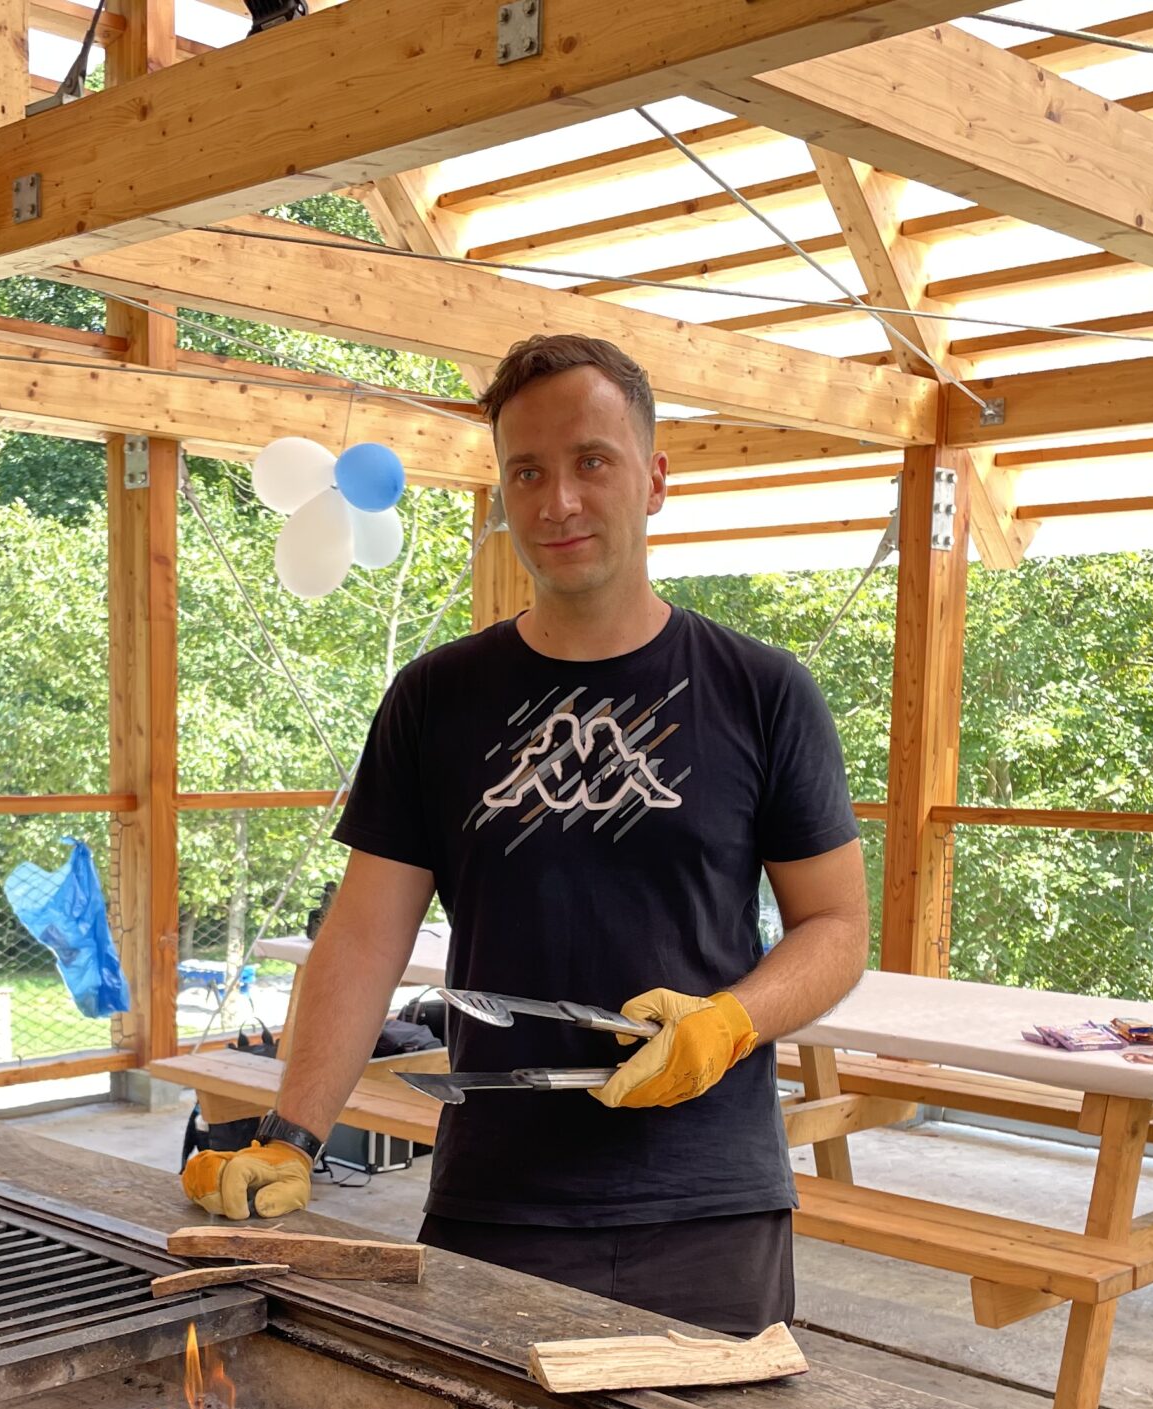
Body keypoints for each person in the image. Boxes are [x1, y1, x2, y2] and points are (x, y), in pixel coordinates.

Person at [182, 334, 871, 1334]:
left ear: (654, 480)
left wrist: (729, 1023)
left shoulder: (763, 692)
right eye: (527, 472)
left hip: (708, 1202)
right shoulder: (434, 698)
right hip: (494, 1197)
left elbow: (836, 926)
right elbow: (365, 932)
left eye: (592, 462)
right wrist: (292, 1133)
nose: (557, 503)